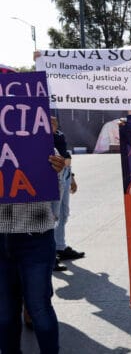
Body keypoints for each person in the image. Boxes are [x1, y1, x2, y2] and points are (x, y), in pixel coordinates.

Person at [1, 152, 67, 354]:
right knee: (4, 311)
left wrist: (58, 171)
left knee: (38, 307)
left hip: (35, 236)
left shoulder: (38, 138)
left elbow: (56, 192)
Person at [50, 116, 83, 272]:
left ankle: (60, 247)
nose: (54, 121)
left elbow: (65, 155)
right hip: (53, 176)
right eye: (50, 120)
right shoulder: (41, 136)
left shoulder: (59, 134)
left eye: (55, 120)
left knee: (63, 213)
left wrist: (72, 177)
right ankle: (50, 254)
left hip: (65, 173)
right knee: (52, 216)